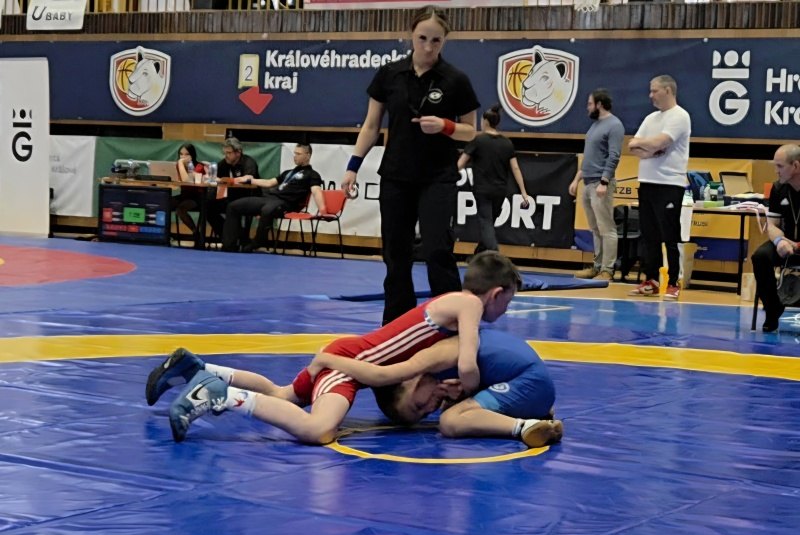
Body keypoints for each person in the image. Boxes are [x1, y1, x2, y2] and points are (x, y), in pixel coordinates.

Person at [145, 251, 520, 444]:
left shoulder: (451, 303)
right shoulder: (469, 305)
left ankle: (197, 369)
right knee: (318, 429)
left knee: (283, 395)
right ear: (495, 293)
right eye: (507, 302)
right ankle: (221, 395)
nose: (504, 312)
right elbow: (468, 366)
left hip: (348, 354)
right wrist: (472, 396)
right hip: (348, 363)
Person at [341, 5, 480, 326]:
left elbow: (471, 131)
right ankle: (396, 325)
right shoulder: (389, 74)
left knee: (437, 250)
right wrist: (352, 166)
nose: (428, 47)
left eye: (436, 40)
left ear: (445, 40)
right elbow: (371, 125)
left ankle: (451, 322)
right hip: (396, 176)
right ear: (411, 36)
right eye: (422, 39)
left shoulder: (456, 79)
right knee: (395, 254)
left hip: (438, 177)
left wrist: (445, 125)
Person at [307, 328, 564, 449]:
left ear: (409, 380)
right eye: (425, 412)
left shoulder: (429, 359)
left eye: (419, 405)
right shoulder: (438, 367)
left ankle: (524, 426)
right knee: (459, 409)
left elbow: (380, 375)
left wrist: (328, 360)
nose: (430, 407)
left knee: (450, 421)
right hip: (531, 384)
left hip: (529, 382)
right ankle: (536, 415)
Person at [628, 75, 691, 300]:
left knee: (670, 235)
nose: (650, 95)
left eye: (654, 91)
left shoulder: (680, 116)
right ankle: (652, 279)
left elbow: (659, 142)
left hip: (669, 184)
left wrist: (649, 146)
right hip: (648, 182)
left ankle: (673, 281)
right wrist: (649, 148)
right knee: (649, 235)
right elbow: (632, 146)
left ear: (668, 90)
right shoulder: (651, 118)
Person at [457, 104, 533, 254]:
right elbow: (515, 168)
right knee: (489, 223)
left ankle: (494, 253)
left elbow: (460, 163)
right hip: (500, 191)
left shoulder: (478, 140)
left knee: (486, 223)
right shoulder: (506, 143)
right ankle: (478, 254)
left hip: (482, 190)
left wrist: (450, 178)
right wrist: (524, 192)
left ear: (485, 121)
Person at [222, 143, 325, 253]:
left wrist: (323, 210)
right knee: (233, 206)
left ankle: (258, 241)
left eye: (298, 154)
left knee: (267, 209)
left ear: (308, 155)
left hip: (287, 204)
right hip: (270, 199)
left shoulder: (313, 175)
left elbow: (316, 191)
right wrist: (250, 180)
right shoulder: (288, 173)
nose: (295, 156)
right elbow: (269, 182)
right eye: (294, 153)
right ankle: (229, 246)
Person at [569, 89, 625, 282]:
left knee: (606, 228)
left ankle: (607, 270)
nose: (588, 107)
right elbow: (590, 156)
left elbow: (614, 155)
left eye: (590, 103)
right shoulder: (594, 126)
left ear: (600, 104)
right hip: (588, 182)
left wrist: (604, 181)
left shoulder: (615, 125)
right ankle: (597, 266)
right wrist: (577, 178)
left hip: (600, 184)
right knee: (595, 228)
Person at [752, 144, 800, 332]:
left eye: (780, 166)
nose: (776, 171)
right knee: (760, 256)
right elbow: (771, 225)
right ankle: (773, 309)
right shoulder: (778, 188)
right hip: (786, 243)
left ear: (795, 166)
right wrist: (780, 241)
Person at [205, 137, 260, 241]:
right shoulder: (225, 162)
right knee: (208, 207)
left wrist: (227, 180)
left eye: (229, 153)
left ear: (238, 152)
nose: (226, 155)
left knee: (232, 207)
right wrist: (209, 174)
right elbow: (214, 177)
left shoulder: (249, 162)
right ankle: (230, 237)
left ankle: (235, 238)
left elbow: (249, 178)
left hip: (249, 197)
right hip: (231, 197)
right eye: (225, 153)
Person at [170, 143, 206, 247]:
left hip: (197, 197)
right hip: (184, 195)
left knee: (180, 209)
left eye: (186, 154)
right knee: (164, 202)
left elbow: (186, 180)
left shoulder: (199, 167)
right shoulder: (178, 166)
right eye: (181, 154)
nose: (183, 157)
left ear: (192, 155)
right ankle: (165, 234)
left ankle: (195, 233)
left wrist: (180, 163)